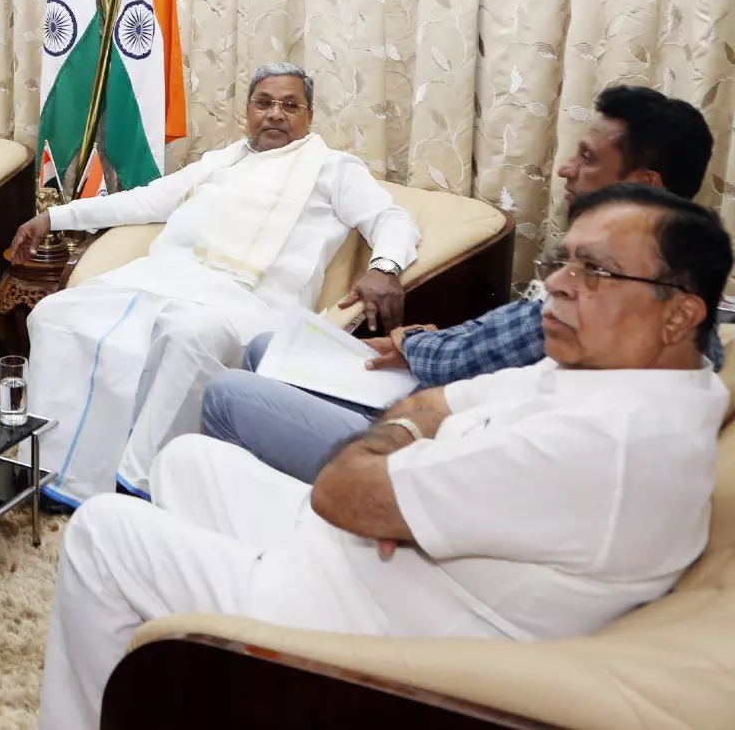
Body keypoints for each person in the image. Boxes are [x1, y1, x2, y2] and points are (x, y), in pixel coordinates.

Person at [38, 183, 733, 730]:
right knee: (189, 460)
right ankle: (185, 691)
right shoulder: (625, 377)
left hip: (376, 628)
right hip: (383, 563)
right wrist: (397, 463)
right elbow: (431, 405)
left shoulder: (604, 444)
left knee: (103, 532)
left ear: (681, 313)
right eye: (565, 262)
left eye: (595, 272)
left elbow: (343, 490)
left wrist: (385, 481)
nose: (557, 285)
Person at [202, 85, 719, 482]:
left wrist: (418, 345)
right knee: (269, 349)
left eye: (587, 158)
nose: (565, 169)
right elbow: (505, 345)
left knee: (227, 394)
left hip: (444, 436)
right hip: (451, 397)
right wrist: (426, 342)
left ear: (643, 184)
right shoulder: (629, 262)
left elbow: (481, 358)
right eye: (262, 103)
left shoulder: (630, 287)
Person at [11, 63, 419, 506]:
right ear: (248, 111)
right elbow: (147, 199)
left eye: (289, 105)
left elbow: (390, 218)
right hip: (164, 280)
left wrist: (386, 266)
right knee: (55, 314)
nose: (275, 114)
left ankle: (139, 488)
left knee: (190, 334)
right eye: (264, 103)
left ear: (309, 115)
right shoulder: (221, 161)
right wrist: (55, 216)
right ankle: (50, 473)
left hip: (246, 302)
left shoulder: (333, 168)